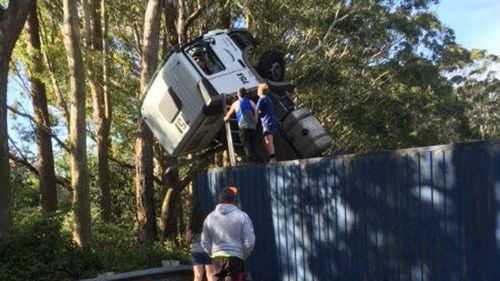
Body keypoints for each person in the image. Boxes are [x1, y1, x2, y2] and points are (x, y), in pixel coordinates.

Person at [201, 187, 255, 281]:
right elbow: (250, 241)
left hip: (217, 259)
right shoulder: (242, 216)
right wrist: (242, 254)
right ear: (234, 199)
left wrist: (213, 252)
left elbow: (204, 242)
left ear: (219, 200)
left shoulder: (209, 217)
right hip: (235, 258)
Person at [223, 88, 258, 163]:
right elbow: (256, 111)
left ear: (238, 94)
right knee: (252, 142)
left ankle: (251, 161)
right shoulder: (250, 102)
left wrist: (225, 118)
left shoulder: (236, 103)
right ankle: (255, 160)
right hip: (252, 126)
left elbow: (229, 115)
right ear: (245, 94)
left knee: (246, 143)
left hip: (243, 125)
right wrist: (255, 121)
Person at [186, 203, 216, 281]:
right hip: (208, 250)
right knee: (211, 275)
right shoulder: (207, 222)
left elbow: (188, 239)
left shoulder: (191, 225)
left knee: (198, 275)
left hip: (196, 251)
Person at [256, 83, 278, 162]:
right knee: (267, 140)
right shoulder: (268, 99)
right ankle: (271, 157)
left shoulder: (262, 99)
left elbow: (256, 110)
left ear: (261, 91)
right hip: (271, 120)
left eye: (258, 89)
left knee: (268, 140)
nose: (257, 91)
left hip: (267, 121)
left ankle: (272, 158)